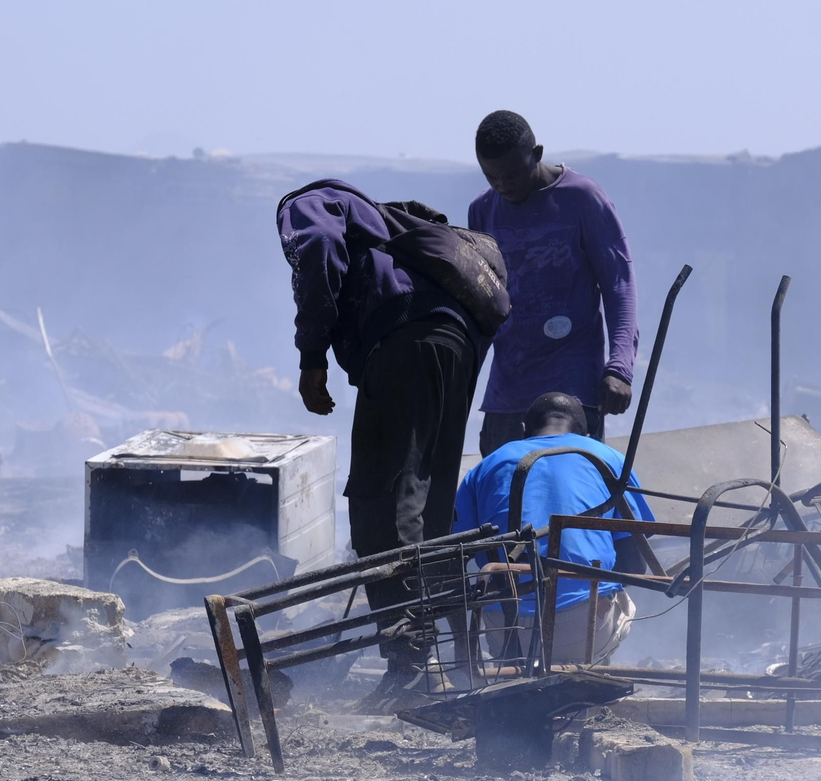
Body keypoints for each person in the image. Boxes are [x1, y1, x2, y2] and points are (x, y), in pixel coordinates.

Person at [276, 178, 486, 704]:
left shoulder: (305, 203)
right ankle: (451, 665)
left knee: (381, 503)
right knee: (430, 505)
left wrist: (312, 356)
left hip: (401, 344)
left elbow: (318, 247)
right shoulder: (390, 229)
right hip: (455, 348)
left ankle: (410, 668)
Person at [468, 110, 638, 454]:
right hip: (507, 394)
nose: (503, 185)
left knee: (565, 494)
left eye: (512, 174)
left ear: (538, 153)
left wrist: (620, 367)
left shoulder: (582, 198)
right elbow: (482, 305)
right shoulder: (482, 211)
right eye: (491, 176)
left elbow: (619, 285)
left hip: (571, 391)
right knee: (503, 497)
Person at [452, 392, 654, 665]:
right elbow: (634, 566)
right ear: (586, 433)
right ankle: (590, 674)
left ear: (525, 430)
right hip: (583, 627)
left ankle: (513, 674)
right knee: (621, 598)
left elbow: (457, 548)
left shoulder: (486, 466)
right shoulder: (609, 459)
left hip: (507, 630)